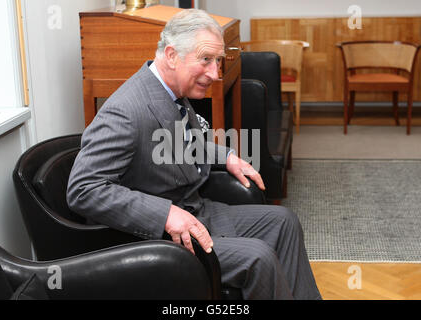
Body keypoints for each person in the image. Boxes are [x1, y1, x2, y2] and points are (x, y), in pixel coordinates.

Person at [67, 8, 321, 300]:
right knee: (258, 256)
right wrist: (165, 214)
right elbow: (83, 189)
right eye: (206, 60)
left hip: (197, 212)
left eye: (217, 61)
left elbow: (177, 142)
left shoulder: (167, 91)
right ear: (172, 55)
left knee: (284, 221)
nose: (214, 73)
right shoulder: (125, 111)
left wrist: (225, 156)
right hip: (160, 239)